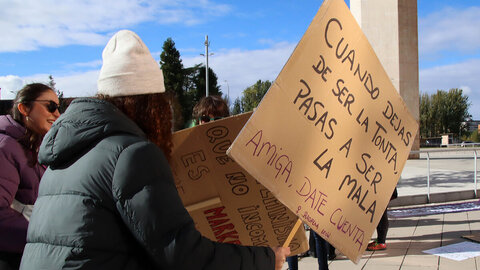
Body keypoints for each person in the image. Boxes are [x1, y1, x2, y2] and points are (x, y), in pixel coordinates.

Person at [20, 30, 290, 270]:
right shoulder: (132, 154)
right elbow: (183, 255)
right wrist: (266, 259)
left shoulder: (61, 159)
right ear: (151, 106)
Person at [0, 83, 60, 269]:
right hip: (16, 256)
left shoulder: (38, 144)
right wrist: (46, 238)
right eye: (50, 106)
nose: (57, 114)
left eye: (59, 107)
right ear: (24, 108)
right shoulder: (6, 147)